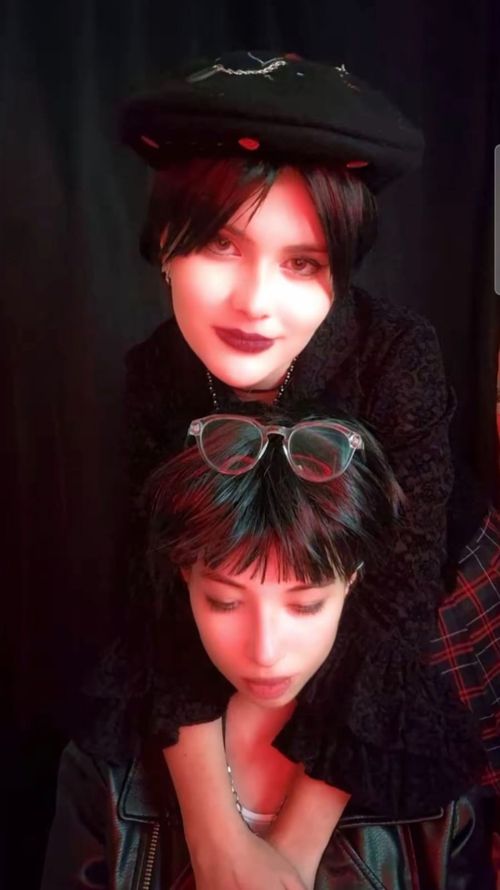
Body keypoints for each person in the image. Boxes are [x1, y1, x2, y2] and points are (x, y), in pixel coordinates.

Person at [77, 51, 498, 888]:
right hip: (243, 615)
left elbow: (393, 611)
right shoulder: (154, 376)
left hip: (425, 609)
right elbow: (158, 593)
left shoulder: (396, 357)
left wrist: (291, 859)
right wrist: (220, 845)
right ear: (164, 247)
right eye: (220, 245)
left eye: (302, 262)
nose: (255, 303)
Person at [42, 409, 495, 889]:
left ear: (352, 581)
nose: (265, 651)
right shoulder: (105, 769)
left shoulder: (435, 789)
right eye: (225, 602)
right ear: (184, 576)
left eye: (305, 605)